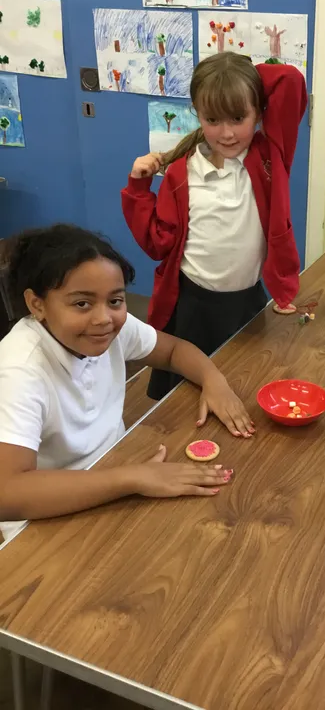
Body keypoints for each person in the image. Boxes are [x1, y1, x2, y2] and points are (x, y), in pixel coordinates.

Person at [0, 224, 254, 544]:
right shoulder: (19, 370)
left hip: (118, 476)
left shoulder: (113, 328)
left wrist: (214, 380)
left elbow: (174, 350)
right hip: (46, 520)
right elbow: (7, 494)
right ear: (37, 305)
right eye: (82, 303)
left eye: (116, 300)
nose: (104, 318)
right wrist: (131, 478)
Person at [122, 52, 307, 400]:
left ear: (259, 112)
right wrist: (137, 189)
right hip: (192, 307)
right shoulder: (180, 173)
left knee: (244, 388)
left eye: (238, 117)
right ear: (196, 112)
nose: (226, 132)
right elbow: (158, 243)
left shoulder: (271, 157)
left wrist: (240, 75)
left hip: (247, 303)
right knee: (182, 399)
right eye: (212, 118)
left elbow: (291, 81)